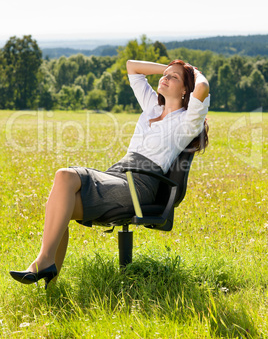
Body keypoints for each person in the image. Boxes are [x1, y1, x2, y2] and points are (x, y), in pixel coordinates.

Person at [10, 59, 210, 289]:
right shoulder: (152, 107)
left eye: (173, 77)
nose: (164, 78)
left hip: (141, 184)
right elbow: (132, 66)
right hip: (119, 174)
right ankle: (51, 285)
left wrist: (194, 71)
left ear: (186, 89)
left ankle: (42, 262)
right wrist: (168, 68)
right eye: (165, 75)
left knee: (64, 176)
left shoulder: (187, 122)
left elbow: (203, 88)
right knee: (61, 206)